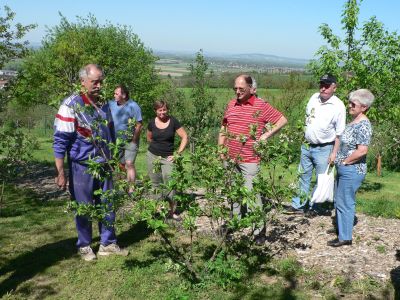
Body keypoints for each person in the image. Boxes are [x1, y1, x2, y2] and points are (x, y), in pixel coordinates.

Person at [54, 64, 128, 261]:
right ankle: (85, 245)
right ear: (83, 81)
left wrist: (116, 162)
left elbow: (110, 133)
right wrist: (61, 172)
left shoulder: (104, 103)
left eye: (101, 81)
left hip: (104, 164)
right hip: (82, 167)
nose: (99, 85)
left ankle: (108, 243)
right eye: (95, 82)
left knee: (108, 204)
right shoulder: (71, 106)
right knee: (84, 207)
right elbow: (60, 141)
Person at [218, 74, 287, 244]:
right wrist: (220, 148)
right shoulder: (231, 104)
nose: (238, 92)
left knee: (252, 195)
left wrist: (265, 135)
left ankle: (259, 231)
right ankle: (235, 221)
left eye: (241, 89)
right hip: (230, 156)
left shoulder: (260, 105)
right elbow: (224, 126)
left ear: (250, 88)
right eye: (235, 89)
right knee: (233, 193)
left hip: (250, 158)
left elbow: (282, 120)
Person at [289, 74, 346, 215]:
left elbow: (339, 133)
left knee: (322, 180)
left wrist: (334, 153)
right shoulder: (313, 98)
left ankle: (315, 206)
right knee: (303, 176)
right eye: (321, 85)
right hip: (307, 145)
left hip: (325, 148)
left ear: (334, 87)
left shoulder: (338, 106)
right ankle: (299, 205)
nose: (323, 88)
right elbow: (307, 119)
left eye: (327, 85)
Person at [327, 89, 374, 247]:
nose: (349, 106)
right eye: (350, 102)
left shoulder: (364, 124)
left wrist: (346, 161)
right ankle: (342, 229)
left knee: (345, 202)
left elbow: (362, 150)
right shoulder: (354, 121)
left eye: (353, 104)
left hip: (352, 169)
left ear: (364, 107)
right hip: (344, 168)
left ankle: (345, 237)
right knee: (339, 201)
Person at [146, 100, 188, 220]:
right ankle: (158, 210)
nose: (162, 112)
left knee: (170, 183)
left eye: (164, 109)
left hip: (168, 157)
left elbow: (184, 136)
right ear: (156, 111)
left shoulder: (173, 121)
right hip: (152, 156)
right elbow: (149, 138)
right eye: (160, 110)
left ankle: (172, 211)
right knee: (155, 183)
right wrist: (156, 149)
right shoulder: (151, 123)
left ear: (167, 109)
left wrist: (178, 154)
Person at [109, 85, 143, 192]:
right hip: (116, 141)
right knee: (120, 165)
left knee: (129, 163)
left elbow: (139, 124)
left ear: (124, 95)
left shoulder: (133, 106)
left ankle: (132, 189)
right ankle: (123, 187)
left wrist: (134, 140)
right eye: (114, 93)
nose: (114, 95)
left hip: (130, 141)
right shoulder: (111, 104)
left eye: (116, 93)